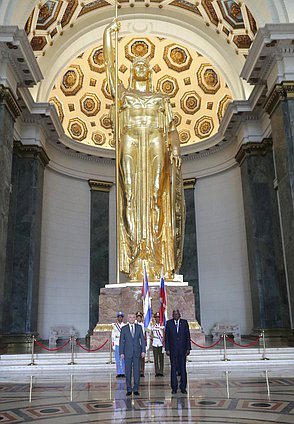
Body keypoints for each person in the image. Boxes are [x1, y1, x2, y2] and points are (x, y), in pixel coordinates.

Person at [103, 19, 185, 281]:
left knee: (154, 196)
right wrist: (107, 35)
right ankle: (138, 251)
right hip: (130, 140)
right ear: (132, 71)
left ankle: (155, 253)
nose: (140, 67)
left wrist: (177, 149)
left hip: (154, 140)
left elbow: (171, 129)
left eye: (144, 65)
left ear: (149, 71)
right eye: (136, 64)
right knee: (130, 196)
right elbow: (109, 67)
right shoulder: (124, 95)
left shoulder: (161, 99)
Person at [165, 309, 191, 395]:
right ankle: (174, 387)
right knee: (173, 369)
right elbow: (167, 337)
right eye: (174, 314)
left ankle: (183, 387)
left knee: (183, 368)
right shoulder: (169, 323)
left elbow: (187, 336)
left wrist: (188, 348)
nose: (176, 315)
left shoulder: (184, 323)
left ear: (180, 315)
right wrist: (167, 349)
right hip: (173, 350)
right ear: (172, 315)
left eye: (177, 314)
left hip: (183, 350)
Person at [119, 312, 146, 396]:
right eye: (130, 317)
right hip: (127, 353)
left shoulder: (139, 327)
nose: (132, 319)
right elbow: (121, 342)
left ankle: (136, 388)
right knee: (128, 371)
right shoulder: (124, 328)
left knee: (137, 371)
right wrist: (121, 352)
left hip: (137, 352)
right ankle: (129, 389)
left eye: (134, 317)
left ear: (135, 318)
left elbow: (142, 339)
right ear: (128, 318)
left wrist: (143, 350)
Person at [112, 311, 125, 378]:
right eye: (119, 317)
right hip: (117, 343)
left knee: (123, 359)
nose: (120, 318)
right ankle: (118, 372)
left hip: (123, 344)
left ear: (122, 318)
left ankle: (123, 372)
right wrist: (113, 345)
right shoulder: (114, 326)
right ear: (117, 318)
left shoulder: (125, 325)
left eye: (121, 317)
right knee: (117, 359)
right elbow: (113, 336)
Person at [151, 312, 164, 376]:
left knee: (161, 358)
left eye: (158, 318)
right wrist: (151, 337)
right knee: (155, 358)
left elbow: (164, 334)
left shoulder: (163, 326)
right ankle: (157, 372)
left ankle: (161, 371)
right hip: (155, 343)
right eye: (156, 318)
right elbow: (150, 334)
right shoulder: (152, 326)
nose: (157, 319)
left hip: (161, 343)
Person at [135, 311, 147, 377]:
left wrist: (145, 344)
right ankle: (137, 371)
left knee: (142, 358)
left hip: (142, 343)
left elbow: (145, 334)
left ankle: (142, 371)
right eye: (137, 317)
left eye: (140, 317)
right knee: (136, 358)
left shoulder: (144, 325)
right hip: (136, 343)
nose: (138, 318)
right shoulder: (134, 324)